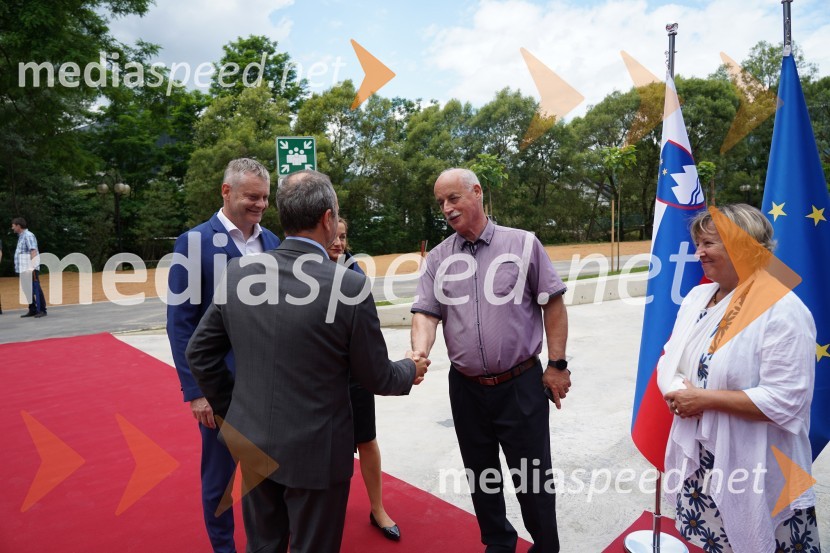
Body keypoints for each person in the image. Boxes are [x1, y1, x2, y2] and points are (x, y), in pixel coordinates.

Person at [186, 169, 429, 553]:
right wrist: (409, 370)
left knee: (263, 546)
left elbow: (199, 352)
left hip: (252, 443)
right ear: (328, 219)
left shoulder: (238, 275)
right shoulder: (347, 285)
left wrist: (235, 412)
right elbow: (376, 375)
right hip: (317, 452)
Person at [410, 168, 569, 553]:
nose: (446, 209)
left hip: (520, 385)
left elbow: (554, 304)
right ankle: (499, 543)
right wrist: (419, 351)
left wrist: (557, 365)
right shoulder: (439, 258)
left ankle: (546, 547)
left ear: (477, 192)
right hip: (466, 389)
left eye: (453, 198)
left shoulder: (524, 244)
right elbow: (426, 313)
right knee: (481, 475)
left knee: (532, 479)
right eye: (440, 203)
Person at [657, 204, 820, 553]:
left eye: (708, 243)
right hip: (704, 459)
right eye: (697, 243)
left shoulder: (783, 310)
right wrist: (676, 391)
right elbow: (671, 359)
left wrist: (702, 400)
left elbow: (785, 399)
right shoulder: (699, 297)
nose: (698, 252)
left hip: (760, 464)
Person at [166, 158, 281, 553]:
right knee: (220, 481)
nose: (261, 204)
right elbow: (180, 323)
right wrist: (197, 391)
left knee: (267, 473)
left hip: (270, 387)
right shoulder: (194, 243)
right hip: (220, 388)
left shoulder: (274, 243)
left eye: (265, 197)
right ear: (226, 191)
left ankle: (266, 543)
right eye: (252, 196)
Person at [326, 218, 400, 541]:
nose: (339, 243)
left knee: (366, 440)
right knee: (328, 448)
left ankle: (377, 509)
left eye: (343, 236)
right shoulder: (302, 273)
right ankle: (322, 513)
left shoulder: (355, 274)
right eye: (333, 236)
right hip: (321, 378)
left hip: (355, 377)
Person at [11, 217, 47, 318]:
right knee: (27, 289)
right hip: (23, 268)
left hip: (30, 268)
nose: (12, 228)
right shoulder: (21, 236)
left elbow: (33, 251)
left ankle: (42, 310)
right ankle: (33, 309)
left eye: (13, 226)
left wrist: (32, 267)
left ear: (18, 226)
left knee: (36, 288)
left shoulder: (28, 235)